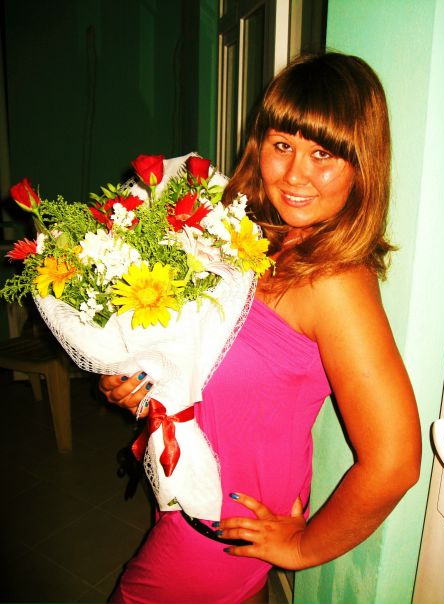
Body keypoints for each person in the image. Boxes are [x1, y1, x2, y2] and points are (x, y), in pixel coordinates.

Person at [99, 52, 421, 604]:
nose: (295, 175)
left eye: (323, 154)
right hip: (191, 489)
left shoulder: (336, 284)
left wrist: (301, 549)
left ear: (362, 163)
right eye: (282, 145)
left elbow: (394, 463)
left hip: (220, 527)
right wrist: (138, 381)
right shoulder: (253, 238)